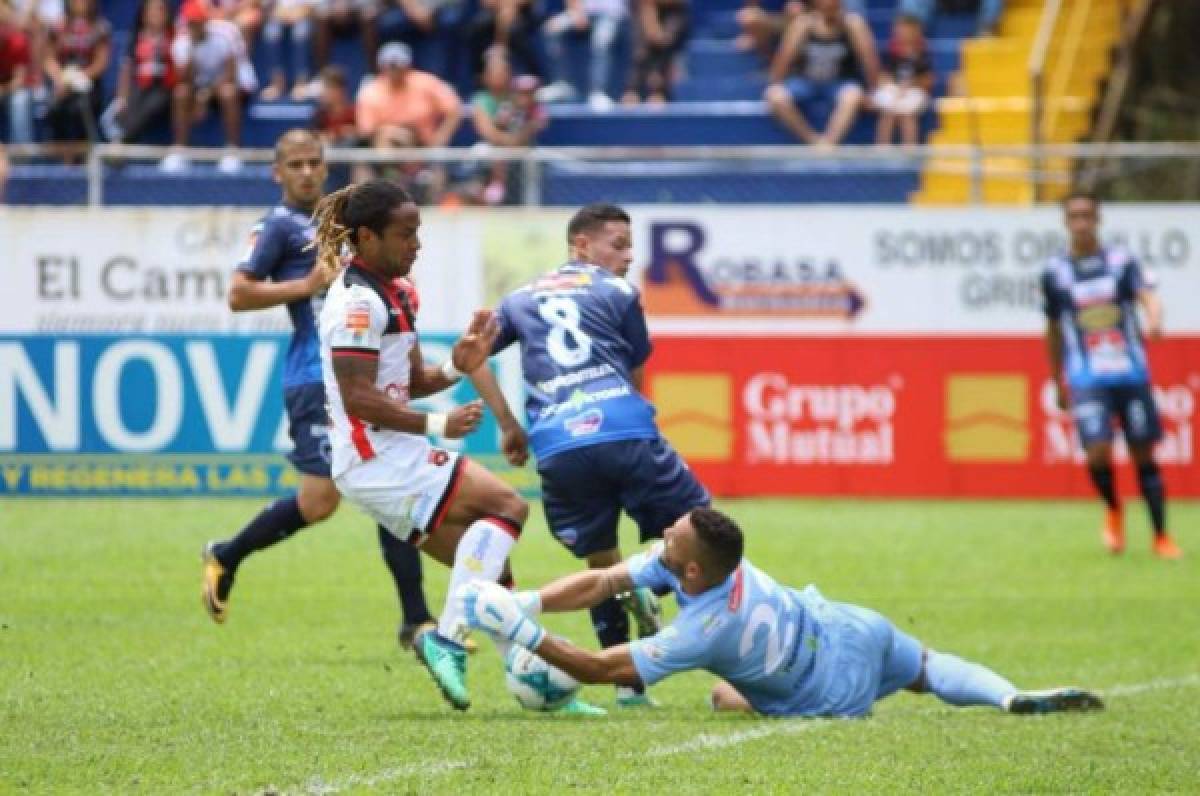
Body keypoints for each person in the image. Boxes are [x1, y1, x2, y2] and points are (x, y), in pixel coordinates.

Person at [312, 177, 603, 714]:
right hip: (375, 457)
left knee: (492, 574)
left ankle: (537, 687)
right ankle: (445, 638)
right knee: (508, 507)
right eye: (405, 234)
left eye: (418, 232)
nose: (416, 244)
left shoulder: (397, 291)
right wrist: (435, 427)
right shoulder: (354, 303)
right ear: (367, 237)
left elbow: (408, 381)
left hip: (389, 453)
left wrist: (457, 364)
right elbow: (357, 398)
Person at [461, 507, 1106, 718]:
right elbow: (605, 581)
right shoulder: (711, 563)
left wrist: (522, 629)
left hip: (832, 692)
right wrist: (533, 597)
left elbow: (601, 668)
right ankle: (1010, 698)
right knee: (928, 669)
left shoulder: (704, 628)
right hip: (851, 625)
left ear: (691, 571)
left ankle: (761, 693)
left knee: (722, 694)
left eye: (672, 539)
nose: (662, 535)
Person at [201, 131, 446, 658]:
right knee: (320, 503)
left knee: (387, 487)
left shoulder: (340, 225)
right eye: (295, 164)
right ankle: (228, 552)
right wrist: (306, 284)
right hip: (317, 378)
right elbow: (239, 292)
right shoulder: (278, 228)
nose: (307, 172)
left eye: (315, 162)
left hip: (365, 371)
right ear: (277, 172)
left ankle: (416, 619)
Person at [470, 203, 711, 707]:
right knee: (705, 532)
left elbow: (469, 356)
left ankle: (628, 687)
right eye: (618, 245)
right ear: (581, 245)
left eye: (630, 246)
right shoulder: (620, 292)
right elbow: (635, 374)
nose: (627, 257)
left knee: (601, 558)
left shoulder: (517, 298)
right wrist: (637, 418)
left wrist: (509, 425)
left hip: (558, 443)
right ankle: (651, 582)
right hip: (623, 429)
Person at [1042, 192, 1183, 560]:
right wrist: (1057, 379)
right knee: (1098, 452)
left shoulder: (1121, 262)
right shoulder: (1055, 272)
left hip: (1130, 372)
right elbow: (1054, 328)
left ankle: (1160, 536)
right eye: (1074, 216)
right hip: (1086, 377)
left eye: (1087, 215)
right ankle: (1114, 508)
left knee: (1142, 453)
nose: (1082, 223)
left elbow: (1148, 296)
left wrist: (1154, 317)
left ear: (1098, 219)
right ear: (1066, 222)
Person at [764, 0, 878, 148]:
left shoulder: (853, 24)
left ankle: (829, 143)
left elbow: (869, 59)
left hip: (839, 83)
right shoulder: (803, 24)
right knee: (775, 95)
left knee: (853, 95)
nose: (828, 5)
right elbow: (784, 58)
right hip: (805, 82)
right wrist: (775, 83)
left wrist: (873, 91)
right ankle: (813, 140)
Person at [162, 0, 257, 173]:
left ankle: (232, 151)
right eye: (190, 22)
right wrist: (192, 50)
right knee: (180, 93)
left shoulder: (226, 33)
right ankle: (180, 150)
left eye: (197, 21)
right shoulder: (181, 41)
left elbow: (231, 75)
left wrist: (204, 96)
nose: (193, 26)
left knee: (227, 92)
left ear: (205, 21)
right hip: (201, 88)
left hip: (236, 85)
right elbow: (184, 79)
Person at [469, 50, 546, 205]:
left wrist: (519, 137)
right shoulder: (481, 100)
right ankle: (487, 191)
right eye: (494, 72)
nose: (500, 76)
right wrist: (509, 141)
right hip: (495, 148)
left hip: (522, 148)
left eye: (503, 71)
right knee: (481, 153)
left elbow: (536, 123)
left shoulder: (519, 96)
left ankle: (529, 204)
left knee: (531, 158)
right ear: (485, 76)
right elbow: (490, 133)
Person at [42, 0, 109, 153]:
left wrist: (78, 78)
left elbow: (101, 63)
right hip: (61, 84)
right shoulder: (58, 26)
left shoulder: (100, 28)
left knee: (79, 108)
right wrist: (59, 77)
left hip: (88, 84)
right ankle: (62, 157)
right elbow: (49, 58)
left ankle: (82, 155)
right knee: (54, 108)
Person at [537, 0, 631, 110]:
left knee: (602, 40)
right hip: (582, 11)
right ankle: (562, 84)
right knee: (551, 29)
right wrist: (576, 11)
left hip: (611, 14)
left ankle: (598, 92)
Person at [105, 0, 175, 145]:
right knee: (129, 102)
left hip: (164, 87)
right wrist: (121, 97)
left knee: (153, 102)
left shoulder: (174, 36)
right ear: (143, 15)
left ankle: (121, 140)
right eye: (151, 10)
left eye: (160, 10)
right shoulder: (136, 37)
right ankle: (119, 136)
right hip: (140, 85)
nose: (156, 14)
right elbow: (127, 68)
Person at [873, 13, 932, 147]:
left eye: (906, 30)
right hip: (894, 91)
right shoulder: (890, 52)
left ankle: (909, 149)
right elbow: (883, 76)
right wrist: (893, 87)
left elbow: (928, 81)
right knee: (888, 112)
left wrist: (910, 86)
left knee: (907, 114)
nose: (902, 34)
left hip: (914, 92)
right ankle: (882, 149)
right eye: (899, 30)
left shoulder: (922, 55)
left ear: (916, 32)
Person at [623, 0, 689, 105]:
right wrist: (649, 16)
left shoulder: (676, 18)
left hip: (672, 15)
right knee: (640, 51)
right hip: (643, 9)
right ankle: (633, 90)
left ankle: (658, 89)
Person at [259, 0, 315, 100]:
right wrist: (279, 14)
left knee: (300, 33)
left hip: (304, 17)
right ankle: (277, 84)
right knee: (271, 33)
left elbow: (313, 6)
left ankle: (300, 83)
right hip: (276, 16)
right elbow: (266, 5)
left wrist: (298, 14)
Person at [0, 0, 35, 145]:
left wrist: (3, 89)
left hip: (14, 90)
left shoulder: (18, 41)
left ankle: (22, 154)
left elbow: (19, 80)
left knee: (19, 101)